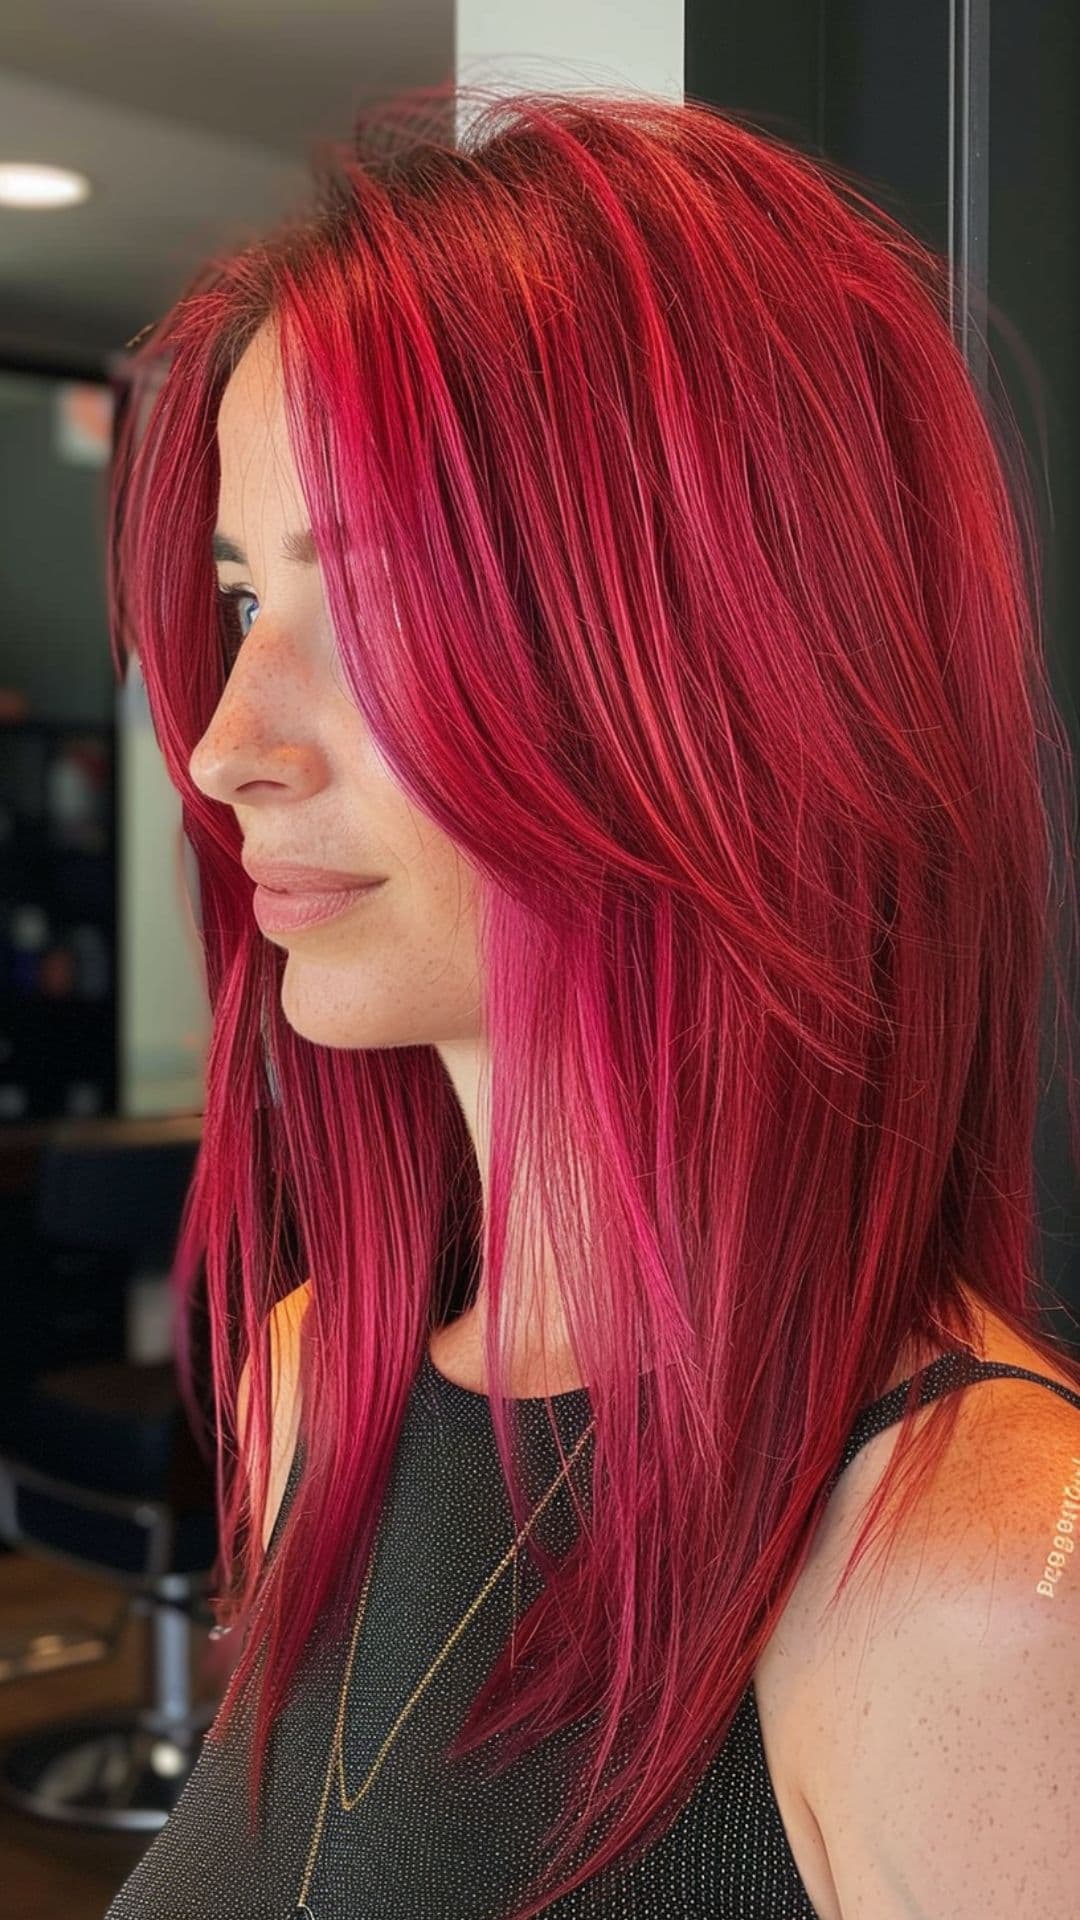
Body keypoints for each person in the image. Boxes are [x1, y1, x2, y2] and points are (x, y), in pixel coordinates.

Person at [103, 85, 1080, 1920]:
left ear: (719, 672)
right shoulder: (306, 1393)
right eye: (243, 607)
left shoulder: (985, 1587)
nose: (226, 750)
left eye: (377, 604)